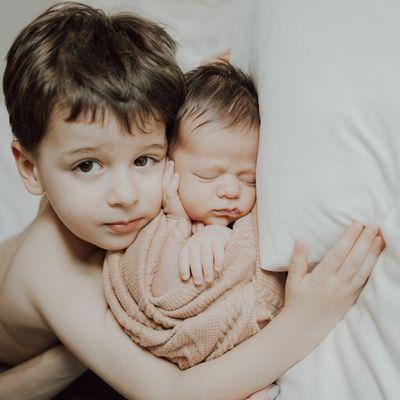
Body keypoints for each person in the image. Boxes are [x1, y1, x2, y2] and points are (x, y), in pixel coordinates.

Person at [0, 2, 384, 400]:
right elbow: (170, 390)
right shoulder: (57, 275)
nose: (126, 196)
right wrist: (303, 320)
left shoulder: (92, 194)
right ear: (31, 169)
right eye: (86, 167)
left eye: (145, 159)